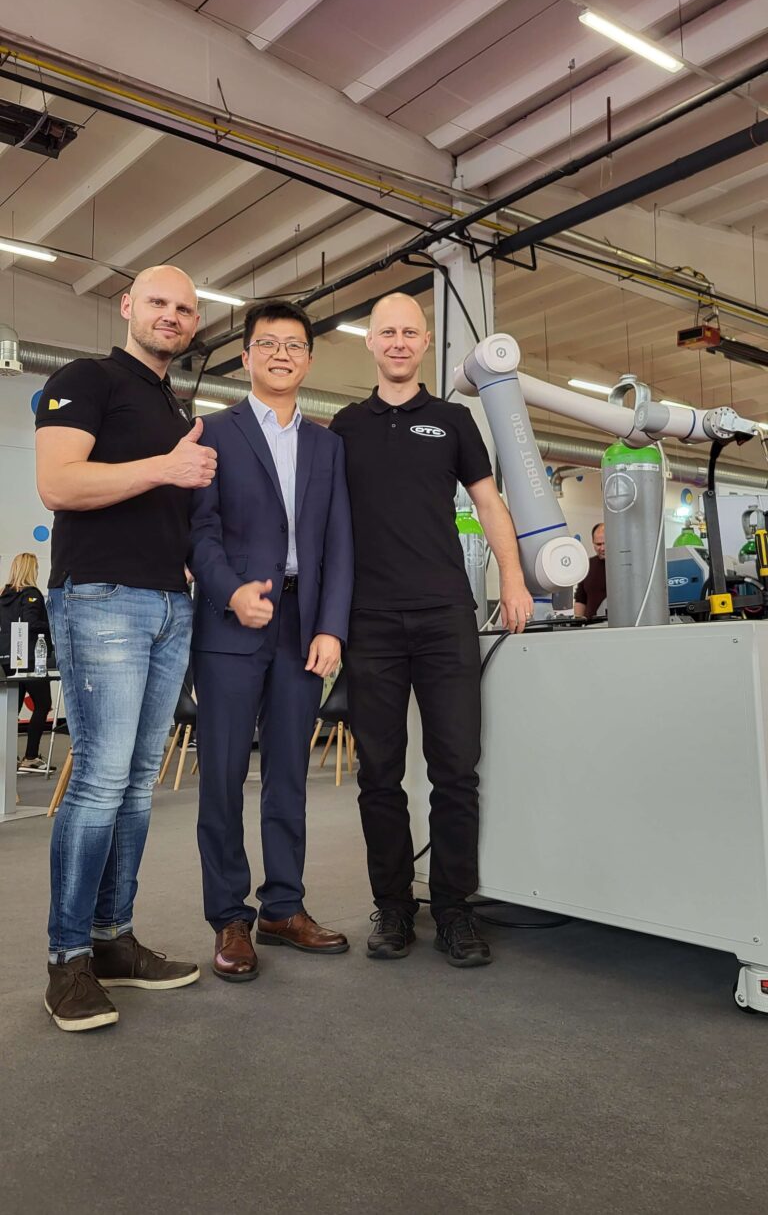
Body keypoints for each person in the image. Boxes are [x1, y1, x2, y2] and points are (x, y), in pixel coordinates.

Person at [35, 264, 216, 1032]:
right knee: (101, 781)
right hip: (102, 597)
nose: (171, 315)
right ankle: (68, 960)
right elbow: (58, 484)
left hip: (170, 606)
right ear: (127, 306)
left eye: (185, 308)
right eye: (159, 303)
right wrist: (168, 468)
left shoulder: (170, 404)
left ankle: (113, 940)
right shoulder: (86, 379)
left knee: (139, 784)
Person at [330, 292, 534, 969]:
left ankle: (453, 909)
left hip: (446, 616)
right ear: (370, 341)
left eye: (408, 332)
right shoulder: (344, 426)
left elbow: (489, 503)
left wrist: (512, 579)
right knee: (379, 774)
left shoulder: (452, 420)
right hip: (369, 621)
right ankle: (392, 907)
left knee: (456, 772)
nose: (397, 341)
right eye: (385, 331)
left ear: (425, 343)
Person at [189, 301, 353, 982]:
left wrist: (331, 626)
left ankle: (283, 907)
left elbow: (339, 543)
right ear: (246, 357)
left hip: (301, 625)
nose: (281, 354)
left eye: (293, 345)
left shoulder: (327, 445)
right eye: (267, 344)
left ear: (308, 359)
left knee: (288, 773)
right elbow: (199, 529)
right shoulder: (213, 432)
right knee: (223, 774)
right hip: (231, 621)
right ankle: (230, 918)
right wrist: (230, 592)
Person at [0, 552, 53, 769]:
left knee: (12, 708)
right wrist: (53, 626)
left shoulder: (3, 596)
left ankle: (6, 757)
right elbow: (31, 622)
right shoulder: (31, 594)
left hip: (7, 658)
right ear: (31, 570)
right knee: (43, 704)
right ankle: (30, 757)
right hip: (30, 658)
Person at [573, 522, 606, 620]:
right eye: (598, 544)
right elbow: (580, 599)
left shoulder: (624, 566)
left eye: (605, 543)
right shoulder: (588, 565)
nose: (602, 548)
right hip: (590, 625)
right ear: (593, 542)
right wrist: (577, 624)